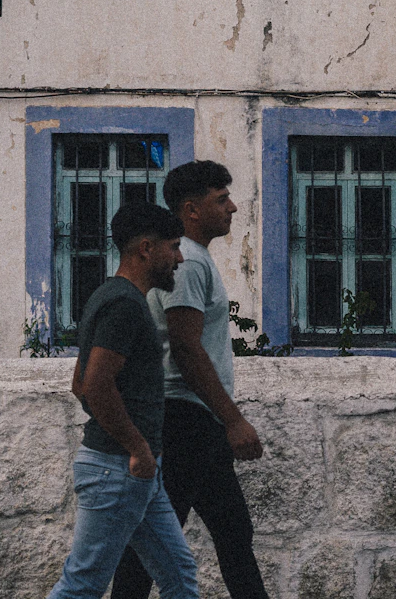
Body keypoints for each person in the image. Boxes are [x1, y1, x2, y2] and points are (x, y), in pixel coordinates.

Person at [112, 160, 270, 599]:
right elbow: (186, 348)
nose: (233, 208)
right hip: (183, 418)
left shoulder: (192, 260)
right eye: (221, 199)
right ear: (191, 209)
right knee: (155, 538)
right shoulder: (189, 264)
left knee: (233, 531)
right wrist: (234, 420)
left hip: (195, 418)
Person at [48, 201, 199, 599]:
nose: (179, 258)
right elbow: (95, 385)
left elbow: (79, 384)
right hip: (118, 469)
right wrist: (135, 447)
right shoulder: (125, 306)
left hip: (132, 470)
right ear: (146, 249)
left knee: (180, 574)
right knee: (82, 586)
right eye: (174, 246)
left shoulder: (108, 296)